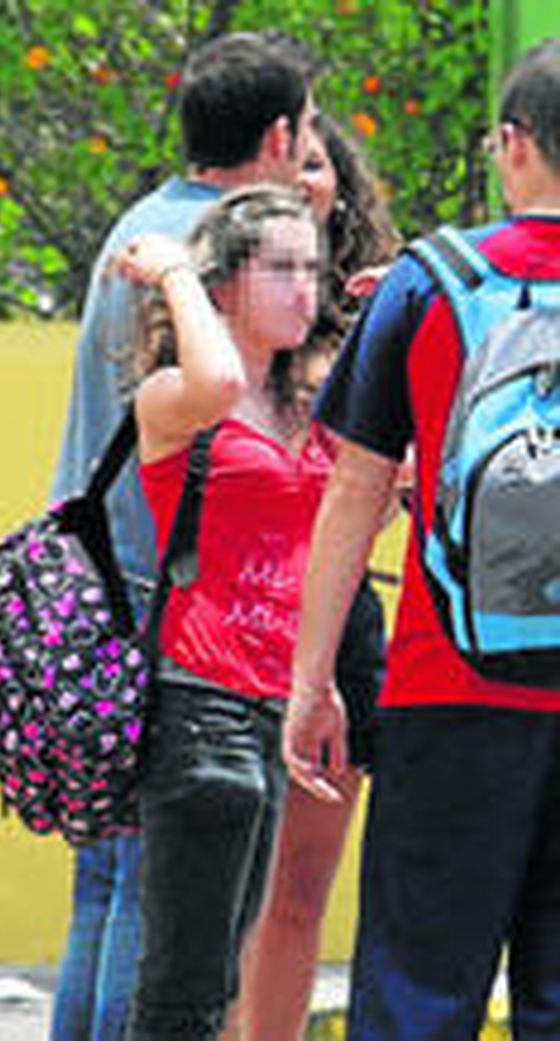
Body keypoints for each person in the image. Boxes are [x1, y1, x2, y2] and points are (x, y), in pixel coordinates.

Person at [285, 39, 560, 1039]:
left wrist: (311, 681)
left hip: (449, 681)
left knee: (418, 991)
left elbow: (353, 493)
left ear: (513, 143)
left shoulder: (429, 281)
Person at [43, 33, 315, 1041]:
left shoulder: (142, 223)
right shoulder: (210, 251)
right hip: (168, 605)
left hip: (96, 587)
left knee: (105, 882)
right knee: (157, 903)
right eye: (307, 133)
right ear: (278, 135)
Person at [110, 184, 324, 1041]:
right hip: (202, 703)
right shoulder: (175, 396)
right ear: (226, 283)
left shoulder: (302, 406)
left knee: (218, 985)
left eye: (313, 269)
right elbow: (221, 376)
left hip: (273, 708)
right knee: (183, 993)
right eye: (283, 269)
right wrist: (173, 273)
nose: (306, 289)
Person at [233, 111, 399, 1041]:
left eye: (316, 164)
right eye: (286, 161)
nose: (301, 179)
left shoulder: (383, 313)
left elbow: (399, 484)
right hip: (225, 627)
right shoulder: (210, 317)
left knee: (299, 888)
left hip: (336, 625)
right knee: (222, 888)